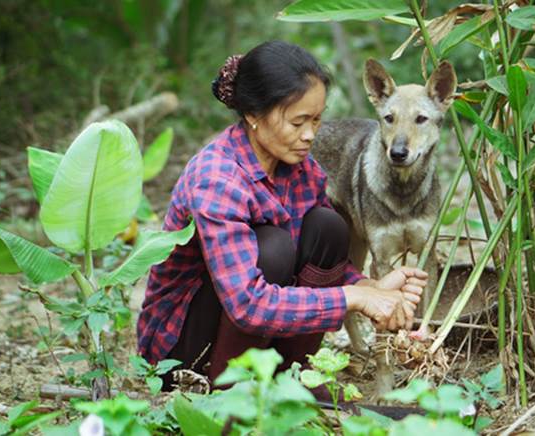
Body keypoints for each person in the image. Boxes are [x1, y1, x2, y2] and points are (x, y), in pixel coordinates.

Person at [136, 40, 427, 389]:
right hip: (185, 350)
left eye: (317, 120)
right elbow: (246, 303)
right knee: (272, 248)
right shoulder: (217, 178)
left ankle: (291, 378)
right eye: (297, 122)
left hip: (252, 331)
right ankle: (230, 391)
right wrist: (355, 298)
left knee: (328, 227)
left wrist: (369, 287)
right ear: (253, 115)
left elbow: (326, 261)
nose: (309, 135)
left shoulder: (301, 169)